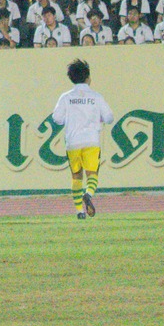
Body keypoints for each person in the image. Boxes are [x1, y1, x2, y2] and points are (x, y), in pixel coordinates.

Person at [50, 60, 114, 218]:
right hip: (91, 140)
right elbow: (109, 117)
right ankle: (89, 194)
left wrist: (70, 119)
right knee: (92, 173)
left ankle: (79, 211)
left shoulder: (66, 97)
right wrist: (98, 118)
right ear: (88, 77)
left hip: (73, 141)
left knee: (76, 175)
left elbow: (56, 118)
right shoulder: (96, 97)